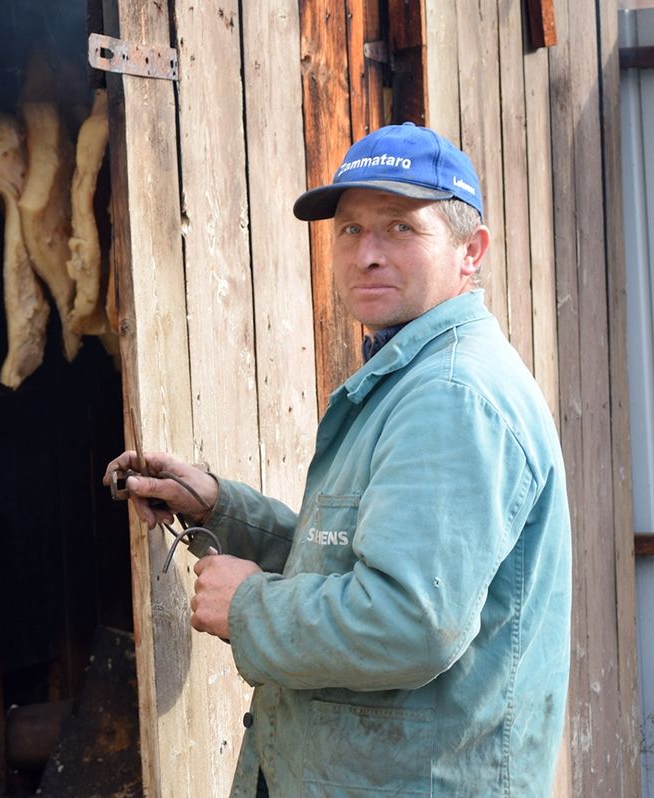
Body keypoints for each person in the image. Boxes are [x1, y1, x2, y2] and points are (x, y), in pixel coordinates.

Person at [104, 123, 571, 796]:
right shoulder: (413, 374)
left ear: (472, 251)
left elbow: (412, 621)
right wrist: (218, 506)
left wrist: (250, 609)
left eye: (400, 229)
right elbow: (353, 558)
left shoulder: (450, 395)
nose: (367, 254)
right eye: (350, 230)